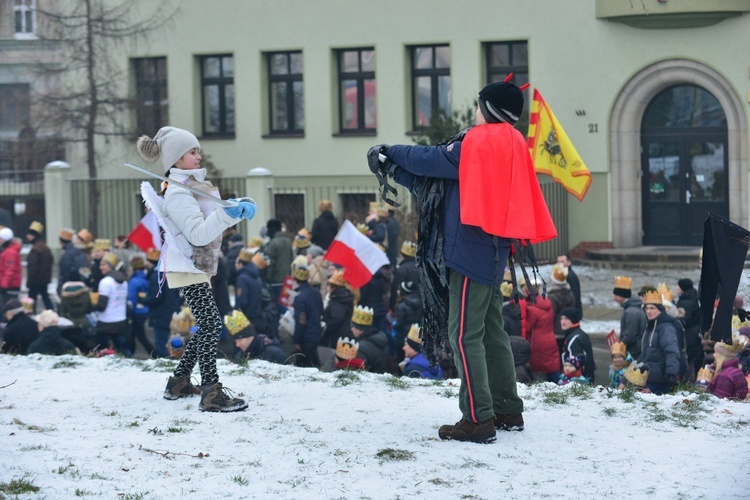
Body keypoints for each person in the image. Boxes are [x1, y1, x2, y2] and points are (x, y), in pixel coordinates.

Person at [378, 76, 556, 442]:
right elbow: (439, 183)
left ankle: (477, 419)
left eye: (479, 106)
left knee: (462, 336)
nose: (475, 112)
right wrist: (393, 169)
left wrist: (391, 150)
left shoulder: (480, 141)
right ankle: (507, 408)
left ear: (489, 110)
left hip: (470, 252)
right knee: (492, 332)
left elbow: (431, 160)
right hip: (492, 251)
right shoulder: (511, 142)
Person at [137, 125, 255, 412]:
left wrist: (233, 210)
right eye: (192, 151)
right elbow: (199, 235)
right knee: (211, 323)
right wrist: (227, 215)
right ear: (177, 159)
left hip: (190, 264)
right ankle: (211, 393)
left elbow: (207, 220)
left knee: (209, 323)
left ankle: (178, 382)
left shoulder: (186, 186)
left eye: (198, 150)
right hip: (188, 264)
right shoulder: (178, 193)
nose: (198, 156)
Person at [141, 249, 182, 358]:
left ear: (150, 263)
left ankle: (165, 362)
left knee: (161, 343)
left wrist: (143, 300)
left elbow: (156, 297)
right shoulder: (170, 274)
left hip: (160, 314)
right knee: (171, 342)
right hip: (172, 312)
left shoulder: (156, 276)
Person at [639, 290, 681, 395]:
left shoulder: (665, 327)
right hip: (648, 377)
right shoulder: (649, 327)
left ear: (660, 310)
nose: (649, 311)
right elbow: (645, 353)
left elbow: (672, 350)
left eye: (652, 308)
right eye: (647, 308)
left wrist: (672, 373)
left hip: (661, 379)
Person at [94, 252, 130, 356]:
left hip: (106, 322)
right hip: (121, 321)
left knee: (102, 352)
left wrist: (90, 306)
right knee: (123, 350)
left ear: (110, 266)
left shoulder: (105, 282)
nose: (100, 267)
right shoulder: (124, 282)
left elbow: (102, 306)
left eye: (103, 265)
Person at [291, 265, 323, 367]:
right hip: (317, 333)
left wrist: (296, 340)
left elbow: (301, 322)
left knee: (308, 365)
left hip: (306, 337)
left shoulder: (300, 298)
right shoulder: (316, 293)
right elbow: (321, 311)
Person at [612, 275, 646, 359]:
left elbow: (630, 335)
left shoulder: (631, 312)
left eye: (616, 295)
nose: (614, 298)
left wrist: (620, 346)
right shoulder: (632, 308)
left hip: (633, 352)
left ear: (622, 295)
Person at [674, 278, 702, 380]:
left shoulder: (686, 302)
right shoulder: (691, 297)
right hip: (693, 334)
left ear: (683, 288)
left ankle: (688, 382)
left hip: (689, 335)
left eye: (678, 285)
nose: (676, 287)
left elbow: (685, 320)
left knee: (688, 359)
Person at [127, 255, 155, 357]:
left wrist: (129, 310)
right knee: (135, 335)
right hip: (145, 310)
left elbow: (132, 298)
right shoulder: (147, 278)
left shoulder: (134, 281)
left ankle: (155, 355)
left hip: (136, 312)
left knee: (139, 336)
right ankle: (130, 355)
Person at [349, 305, 390, 374]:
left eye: (353, 326)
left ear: (359, 329)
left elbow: (359, 373)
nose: (351, 329)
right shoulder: (381, 338)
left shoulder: (361, 347)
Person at [560, 307, 596, 383]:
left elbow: (574, 366)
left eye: (566, 319)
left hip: (577, 383)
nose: (563, 322)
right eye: (561, 319)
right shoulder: (580, 334)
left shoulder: (574, 339)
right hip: (586, 381)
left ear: (573, 321)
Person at [58, 281, 95, 352]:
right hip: (84, 323)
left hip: (70, 323)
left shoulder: (64, 294)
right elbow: (89, 308)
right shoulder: (85, 293)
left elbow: (62, 311)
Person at [320, 270, 354, 349]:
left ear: (333, 287)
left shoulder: (338, 299)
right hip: (342, 334)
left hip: (336, 337)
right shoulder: (343, 296)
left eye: (329, 285)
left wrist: (325, 328)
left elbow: (336, 319)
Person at [25, 221, 54, 312]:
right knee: (46, 299)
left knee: (31, 303)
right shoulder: (45, 247)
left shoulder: (35, 249)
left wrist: (29, 282)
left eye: (30, 234)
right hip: (43, 281)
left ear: (34, 236)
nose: (27, 236)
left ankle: (30, 319)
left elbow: (32, 268)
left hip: (35, 282)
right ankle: (52, 314)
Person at [392, 280, 423, 363]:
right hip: (414, 335)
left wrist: (394, 325)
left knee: (401, 357)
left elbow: (399, 323)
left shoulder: (402, 305)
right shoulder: (419, 302)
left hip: (402, 336)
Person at [234, 247, 264, 329]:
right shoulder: (256, 276)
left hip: (246, 317)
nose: (235, 265)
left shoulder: (242, 279)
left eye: (236, 262)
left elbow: (242, 300)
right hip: (256, 315)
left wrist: (236, 312)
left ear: (241, 264)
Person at [265, 219, 293, 302]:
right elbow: (291, 258)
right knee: (285, 302)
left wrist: (267, 278)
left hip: (275, 279)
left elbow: (270, 263)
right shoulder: (288, 242)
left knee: (277, 303)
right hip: (287, 278)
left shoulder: (272, 243)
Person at [57, 228, 90, 295]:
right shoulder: (80, 253)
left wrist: (59, 288)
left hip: (69, 288)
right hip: (81, 286)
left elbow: (65, 274)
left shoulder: (67, 255)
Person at [389, 241, 419, 311]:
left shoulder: (401, 270)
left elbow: (395, 289)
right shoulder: (420, 268)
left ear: (402, 255)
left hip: (404, 307)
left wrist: (392, 307)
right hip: (419, 306)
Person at [0, 227, 22, 307]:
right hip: (8, 285)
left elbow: (10, 270)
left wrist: (4, 285)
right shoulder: (8, 251)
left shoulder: (10, 252)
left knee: (7, 308)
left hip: (10, 287)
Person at [557, 253, 582, 317]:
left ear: (568, 263)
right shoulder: (562, 275)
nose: (559, 264)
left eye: (562, 262)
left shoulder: (570, 277)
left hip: (571, 313)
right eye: (558, 261)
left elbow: (575, 297)